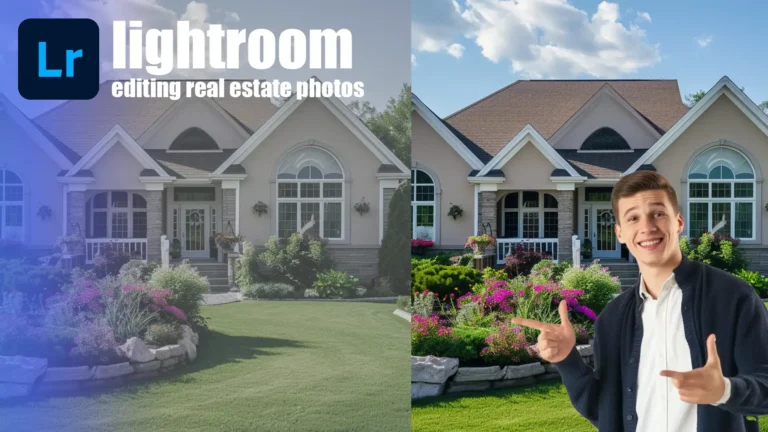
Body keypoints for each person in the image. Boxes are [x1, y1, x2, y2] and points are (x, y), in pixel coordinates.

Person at [512, 171, 768, 432]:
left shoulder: (734, 298)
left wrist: (725, 390)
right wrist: (566, 358)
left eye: (658, 213)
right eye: (633, 217)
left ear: (678, 221)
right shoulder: (612, 319)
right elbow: (603, 409)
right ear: (620, 233)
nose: (647, 227)